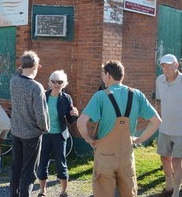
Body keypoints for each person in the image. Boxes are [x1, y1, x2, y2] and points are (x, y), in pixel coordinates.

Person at [77, 60, 162, 197]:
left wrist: (88, 139)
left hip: (105, 156)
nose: (103, 78)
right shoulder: (137, 94)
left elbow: (81, 122)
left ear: (108, 75)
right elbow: (156, 121)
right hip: (126, 155)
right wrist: (139, 139)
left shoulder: (100, 96)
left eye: (103, 75)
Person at [9, 50, 49, 197]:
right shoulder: (36, 87)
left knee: (16, 168)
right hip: (31, 134)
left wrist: (26, 64)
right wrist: (45, 128)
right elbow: (41, 113)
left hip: (16, 132)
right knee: (28, 172)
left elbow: (18, 71)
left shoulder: (14, 80)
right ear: (36, 66)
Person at [37, 70, 79, 197]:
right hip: (44, 134)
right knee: (42, 162)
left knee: (61, 162)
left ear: (63, 84)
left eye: (59, 82)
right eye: (53, 81)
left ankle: (63, 191)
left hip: (59, 134)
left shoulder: (66, 98)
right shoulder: (43, 95)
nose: (56, 84)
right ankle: (42, 191)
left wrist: (74, 115)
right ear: (49, 83)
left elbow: (70, 120)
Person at [156, 54, 182, 197]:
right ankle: (169, 186)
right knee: (164, 157)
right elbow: (158, 101)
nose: (165, 69)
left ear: (176, 65)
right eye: (163, 66)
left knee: (177, 161)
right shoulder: (159, 80)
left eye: (168, 65)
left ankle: (176, 192)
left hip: (180, 130)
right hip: (164, 128)